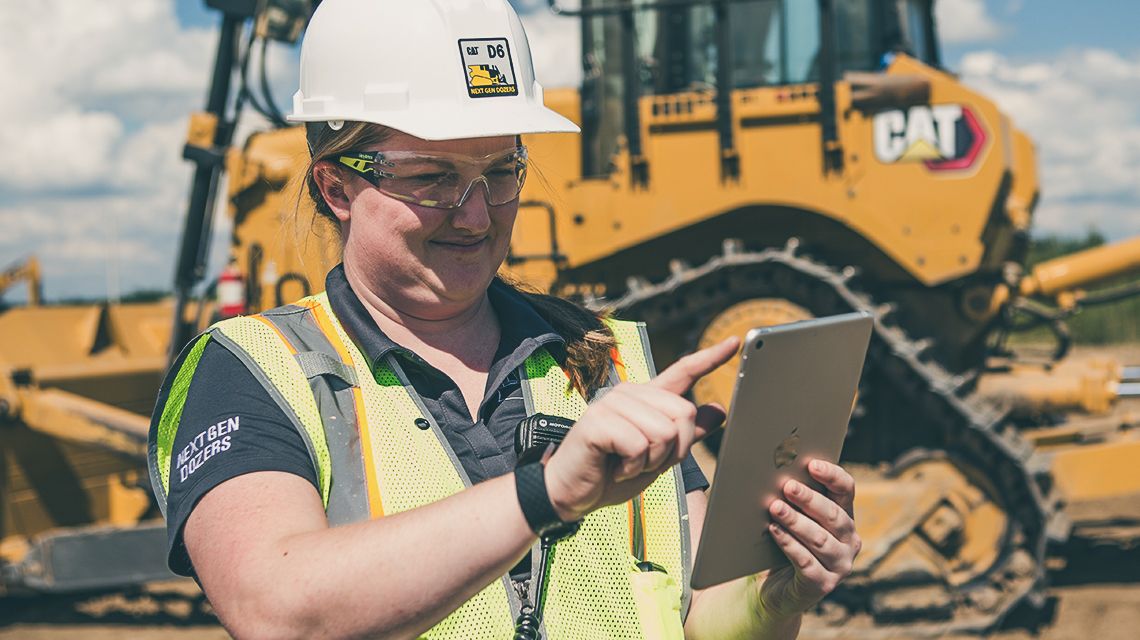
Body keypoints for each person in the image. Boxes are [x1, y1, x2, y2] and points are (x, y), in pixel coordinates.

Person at [147, 0, 861, 638]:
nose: (478, 214)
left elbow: (703, 622)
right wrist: (544, 493)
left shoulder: (605, 360)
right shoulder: (254, 370)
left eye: (500, 171)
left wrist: (777, 597)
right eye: (433, 179)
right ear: (336, 185)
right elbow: (277, 610)